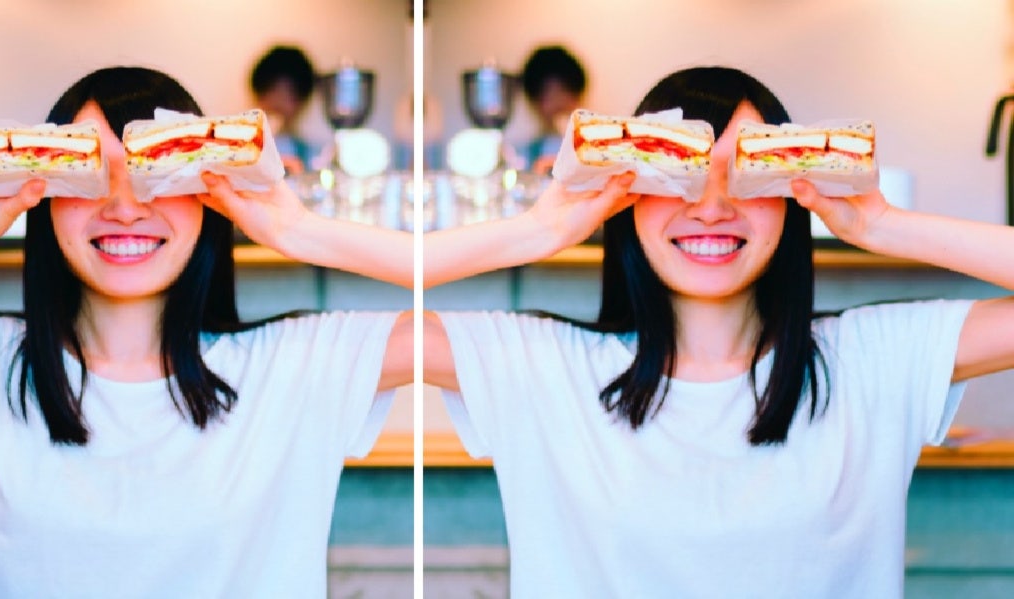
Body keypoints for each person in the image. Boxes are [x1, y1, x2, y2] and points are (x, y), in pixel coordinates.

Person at [0, 66, 415, 597]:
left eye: (158, 175)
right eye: (92, 174)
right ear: (44, 192)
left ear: (211, 195)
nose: (124, 205)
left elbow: (485, 334)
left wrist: (300, 232)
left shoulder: (295, 367)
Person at [420, 66, 1014, 597]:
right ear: (625, 194)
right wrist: (534, 233)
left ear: (791, 193)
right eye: (680, 176)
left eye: (745, 174)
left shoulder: (876, 359)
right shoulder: (543, 368)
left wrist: (884, 227)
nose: (712, 206)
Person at [518, 45, 587, 175]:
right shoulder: (521, 157)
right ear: (534, 102)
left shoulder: (592, 152)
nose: (559, 103)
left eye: (565, 92)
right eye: (550, 96)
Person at [250, 45, 318, 174]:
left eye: (287, 96)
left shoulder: (314, 156)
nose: (276, 101)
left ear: (301, 101)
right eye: (269, 91)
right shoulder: (246, 150)